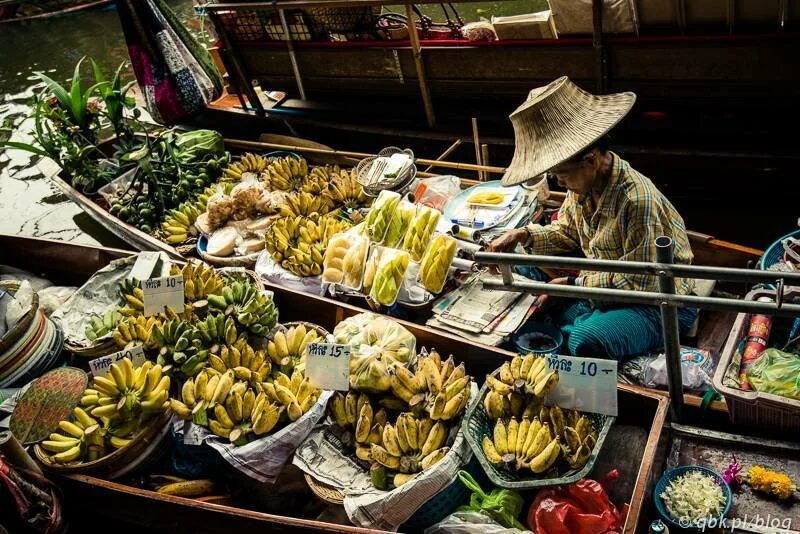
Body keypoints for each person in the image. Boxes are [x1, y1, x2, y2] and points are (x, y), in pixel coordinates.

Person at [490, 77, 697, 360]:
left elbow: (640, 282)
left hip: (656, 301)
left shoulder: (636, 202)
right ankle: (581, 314)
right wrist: (523, 235)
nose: (561, 184)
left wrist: (574, 287)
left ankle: (587, 321)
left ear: (590, 160)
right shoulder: (585, 186)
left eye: (562, 176)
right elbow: (567, 232)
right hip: (606, 286)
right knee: (523, 273)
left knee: (584, 340)